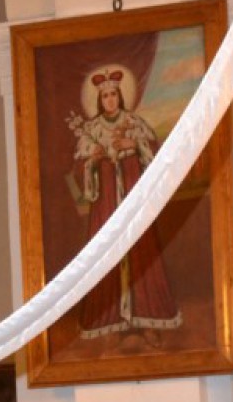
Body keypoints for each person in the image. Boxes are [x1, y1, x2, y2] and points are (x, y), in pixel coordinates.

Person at [66, 67, 181, 345]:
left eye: (113, 95)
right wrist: (93, 160)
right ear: (99, 100)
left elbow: (158, 156)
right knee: (106, 254)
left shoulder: (134, 123)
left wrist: (135, 144)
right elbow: (79, 168)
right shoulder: (91, 130)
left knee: (142, 250)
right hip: (106, 202)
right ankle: (112, 322)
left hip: (134, 196)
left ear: (120, 96)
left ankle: (146, 318)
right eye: (105, 96)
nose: (110, 100)